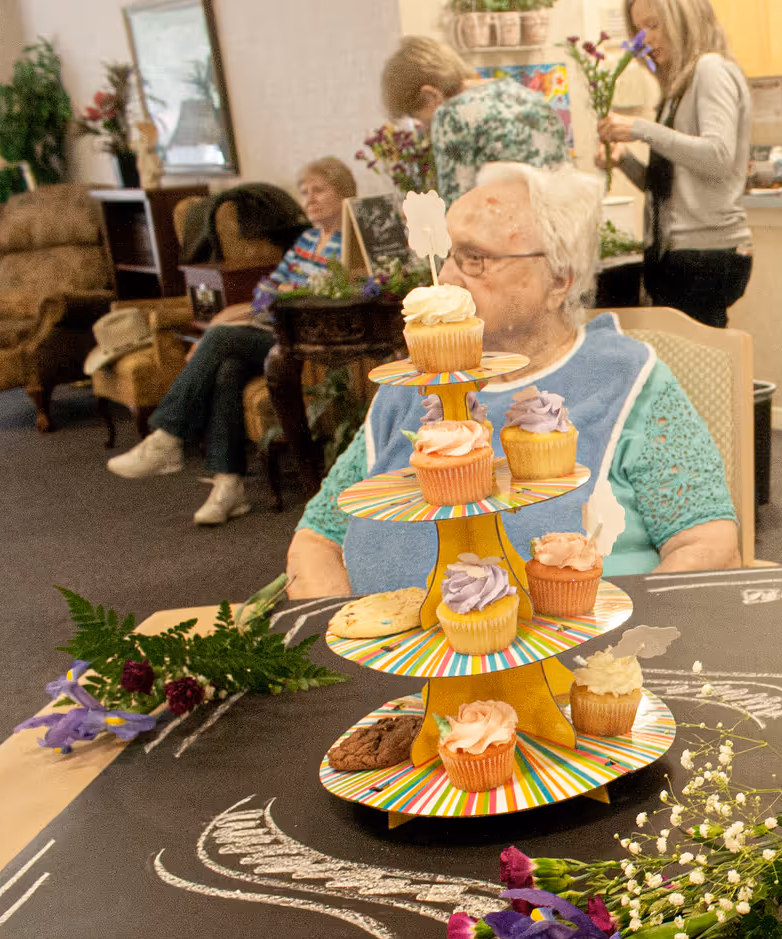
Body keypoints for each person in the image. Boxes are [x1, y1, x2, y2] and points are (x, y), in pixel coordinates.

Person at [287, 162, 740, 598]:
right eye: (447, 256)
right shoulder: (412, 388)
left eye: (474, 259)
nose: (444, 279)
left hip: (572, 667)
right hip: (394, 664)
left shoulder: (625, 380)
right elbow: (317, 538)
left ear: (559, 280)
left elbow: (708, 544)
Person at [106, 157, 354, 525]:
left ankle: (169, 438)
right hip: (275, 331)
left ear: (345, 191)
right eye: (304, 192)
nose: (310, 200)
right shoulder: (307, 241)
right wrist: (276, 296)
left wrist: (284, 294)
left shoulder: (352, 238)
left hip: (315, 340)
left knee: (221, 339)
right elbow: (265, 294)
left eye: (320, 190)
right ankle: (227, 486)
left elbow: (340, 288)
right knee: (228, 370)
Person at [599, 0, 753, 328]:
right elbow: (670, 187)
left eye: (654, 26)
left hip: (705, 253)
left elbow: (718, 157)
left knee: (695, 370)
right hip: (676, 251)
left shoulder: (711, 70)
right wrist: (624, 160)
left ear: (684, 20)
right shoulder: (678, 87)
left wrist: (640, 129)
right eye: (639, 30)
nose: (645, 40)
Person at [382, 36, 570, 206]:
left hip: (513, 236)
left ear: (431, 95)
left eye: (417, 118)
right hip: (560, 231)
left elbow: (458, 213)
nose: (423, 127)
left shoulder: (451, 115)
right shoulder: (526, 95)